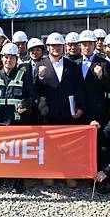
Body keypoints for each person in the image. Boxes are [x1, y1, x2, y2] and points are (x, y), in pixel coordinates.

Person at [0, 42, 36, 192]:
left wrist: (25, 104)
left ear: (16, 59)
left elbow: (32, 96)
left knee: (17, 152)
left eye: (12, 58)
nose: (9, 60)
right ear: (2, 58)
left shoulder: (23, 75)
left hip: (16, 121)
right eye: (6, 57)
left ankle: (18, 181)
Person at [34, 32, 84, 188]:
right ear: (48, 48)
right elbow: (34, 89)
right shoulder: (40, 64)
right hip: (47, 111)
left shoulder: (71, 65)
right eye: (53, 46)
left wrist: (81, 106)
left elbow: (78, 87)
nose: (56, 48)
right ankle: (49, 173)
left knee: (67, 144)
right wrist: (39, 77)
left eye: (58, 45)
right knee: (49, 145)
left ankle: (68, 174)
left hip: (66, 110)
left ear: (63, 47)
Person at [76, 30, 110, 127]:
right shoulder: (74, 63)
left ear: (95, 45)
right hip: (79, 109)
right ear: (80, 46)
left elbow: (108, 86)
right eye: (84, 44)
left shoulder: (103, 63)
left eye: (90, 44)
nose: (87, 47)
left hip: (96, 109)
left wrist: (101, 76)